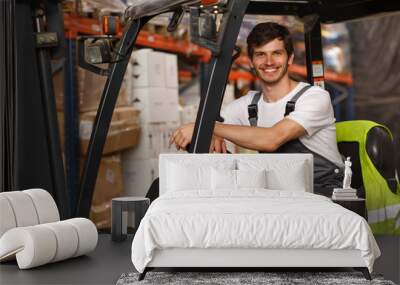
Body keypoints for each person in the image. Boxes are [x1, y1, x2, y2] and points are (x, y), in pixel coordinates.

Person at [169, 22, 344, 196]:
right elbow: (211, 131)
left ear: (289, 58)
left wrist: (208, 127)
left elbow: (272, 138)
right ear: (251, 61)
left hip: (323, 195)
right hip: (282, 194)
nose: (269, 62)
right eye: (260, 54)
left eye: (276, 53)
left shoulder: (314, 97)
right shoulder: (249, 105)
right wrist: (209, 134)